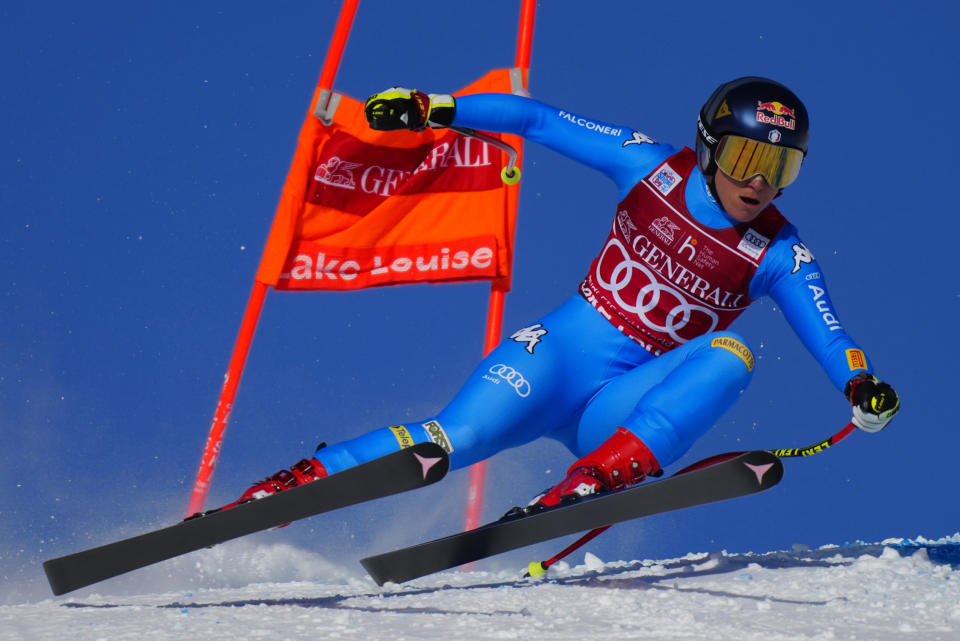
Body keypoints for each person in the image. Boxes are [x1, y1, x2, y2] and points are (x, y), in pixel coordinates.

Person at [217, 77, 899, 514]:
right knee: (448, 440)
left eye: (781, 168)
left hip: (623, 407)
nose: (760, 183)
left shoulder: (780, 251)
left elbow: (831, 334)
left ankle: (593, 480)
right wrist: (438, 109)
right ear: (711, 147)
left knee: (732, 352)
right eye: (749, 159)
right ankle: (299, 480)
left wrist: (860, 384)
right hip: (555, 360)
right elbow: (541, 121)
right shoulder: (652, 167)